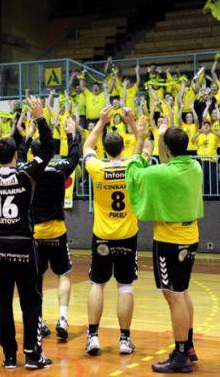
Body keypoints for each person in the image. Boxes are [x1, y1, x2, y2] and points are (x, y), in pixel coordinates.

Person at [0, 97, 54, 370]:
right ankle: (32, 355)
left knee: (2, 302)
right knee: (31, 301)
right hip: (22, 244)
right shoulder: (25, 174)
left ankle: (9, 356)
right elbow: (49, 149)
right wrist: (40, 117)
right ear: (16, 156)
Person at [126, 120, 203, 374]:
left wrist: (141, 141)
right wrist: (161, 137)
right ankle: (188, 346)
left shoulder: (160, 173)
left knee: (173, 296)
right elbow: (168, 163)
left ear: (167, 150)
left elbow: (133, 173)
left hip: (169, 240)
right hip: (190, 235)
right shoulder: (194, 167)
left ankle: (180, 355)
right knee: (183, 292)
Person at [83, 105, 139, 356]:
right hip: (126, 236)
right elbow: (145, 145)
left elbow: (87, 147)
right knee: (125, 287)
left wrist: (101, 122)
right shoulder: (131, 167)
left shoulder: (97, 168)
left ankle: (93, 337)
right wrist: (132, 123)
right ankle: (124, 340)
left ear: (104, 150)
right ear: (123, 148)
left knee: (98, 283)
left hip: (102, 236)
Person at [23, 116, 80, 342]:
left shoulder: (26, 172)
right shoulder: (59, 171)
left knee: (36, 278)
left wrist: (27, 135)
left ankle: (38, 321)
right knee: (63, 274)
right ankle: (63, 318)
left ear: (32, 153)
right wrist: (70, 134)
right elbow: (74, 156)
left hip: (35, 235)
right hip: (57, 232)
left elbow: (18, 155)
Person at [192, 120, 220, 196]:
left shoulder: (214, 135)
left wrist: (213, 131)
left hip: (212, 160)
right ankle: (204, 195)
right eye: (204, 125)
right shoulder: (199, 135)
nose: (206, 126)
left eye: (208, 125)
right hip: (202, 160)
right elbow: (192, 140)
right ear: (202, 126)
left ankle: (214, 195)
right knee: (203, 179)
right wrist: (198, 132)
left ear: (210, 127)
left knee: (213, 179)